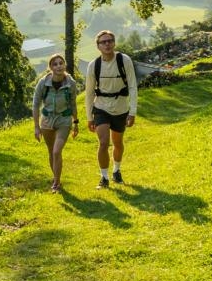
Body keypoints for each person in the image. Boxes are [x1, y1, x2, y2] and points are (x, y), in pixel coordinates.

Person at [85, 30, 137, 189]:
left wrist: (132, 112)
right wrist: (89, 117)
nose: (107, 44)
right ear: (98, 46)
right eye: (103, 42)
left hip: (121, 107)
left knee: (118, 143)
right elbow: (88, 93)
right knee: (103, 142)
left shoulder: (124, 60)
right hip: (101, 107)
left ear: (114, 43)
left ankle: (116, 171)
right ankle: (104, 177)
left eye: (110, 41)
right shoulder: (94, 65)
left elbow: (133, 86)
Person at [33, 53, 77, 192]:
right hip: (46, 121)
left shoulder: (71, 83)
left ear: (64, 65)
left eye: (61, 63)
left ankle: (56, 183)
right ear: (50, 67)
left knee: (57, 151)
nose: (58, 66)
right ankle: (56, 177)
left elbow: (73, 104)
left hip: (64, 120)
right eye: (55, 64)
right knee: (51, 152)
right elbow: (35, 105)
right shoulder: (43, 83)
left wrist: (76, 123)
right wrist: (36, 127)